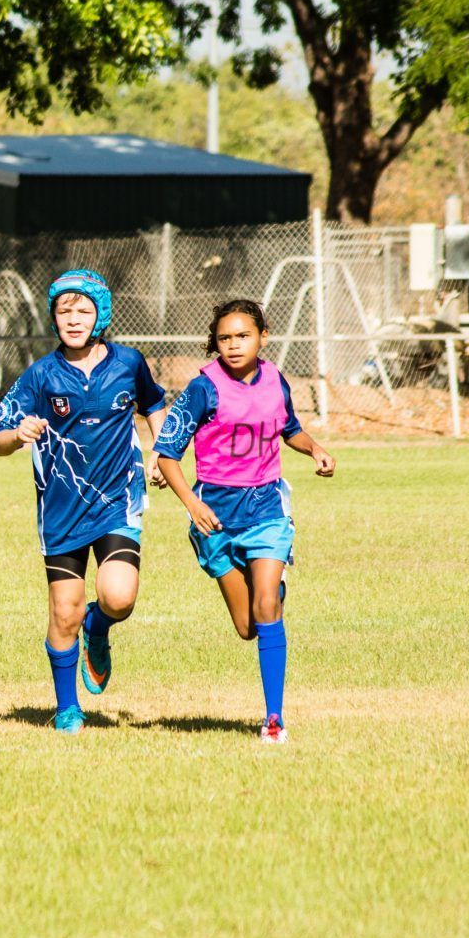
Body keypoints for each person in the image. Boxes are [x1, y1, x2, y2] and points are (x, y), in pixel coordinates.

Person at [0, 270, 169, 734]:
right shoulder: (41, 375)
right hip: (62, 509)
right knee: (62, 611)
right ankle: (67, 707)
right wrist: (16, 435)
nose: (73, 319)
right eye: (64, 311)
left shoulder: (128, 362)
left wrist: (160, 452)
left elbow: (153, 405)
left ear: (101, 315)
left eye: (83, 310)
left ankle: (100, 625)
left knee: (119, 597)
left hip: (117, 502)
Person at [153, 299, 335, 743]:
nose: (234, 345)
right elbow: (166, 455)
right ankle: (269, 596)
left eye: (243, 336)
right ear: (214, 343)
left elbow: (288, 427)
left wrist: (315, 449)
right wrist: (190, 505)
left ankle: (274, 718)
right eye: (225, 338)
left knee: (266, 606)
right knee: (247, 627)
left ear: (263, 337)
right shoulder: (203, 389)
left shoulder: (275, 379)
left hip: (268, 511)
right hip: (215, 519)